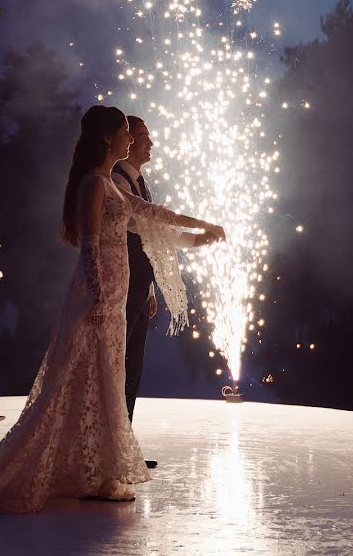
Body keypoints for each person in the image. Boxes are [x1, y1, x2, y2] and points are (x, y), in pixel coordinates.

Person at [0, 105, 225, 513]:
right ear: (108, 138)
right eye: (126, 131)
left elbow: (153, 216)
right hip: (99, 296)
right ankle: (88, 471)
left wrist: (203, 230)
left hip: (113, 298)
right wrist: (95, 298)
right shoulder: (93, 184)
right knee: (84, 377)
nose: (130, 137)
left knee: (106, 377)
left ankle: (97, 471)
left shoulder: (110, 185)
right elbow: (90, 246)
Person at [112, 116, 218, 470]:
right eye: (141, 135)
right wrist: (198, 231)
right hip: (120, 286)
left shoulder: (138, 180)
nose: (149, 142)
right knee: (117, 366)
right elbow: (149, 223)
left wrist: (153, 287)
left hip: (139, 286)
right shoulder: (116, 181)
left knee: (132, 367)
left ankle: (123, 446)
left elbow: (151, 235)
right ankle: (112, 449)